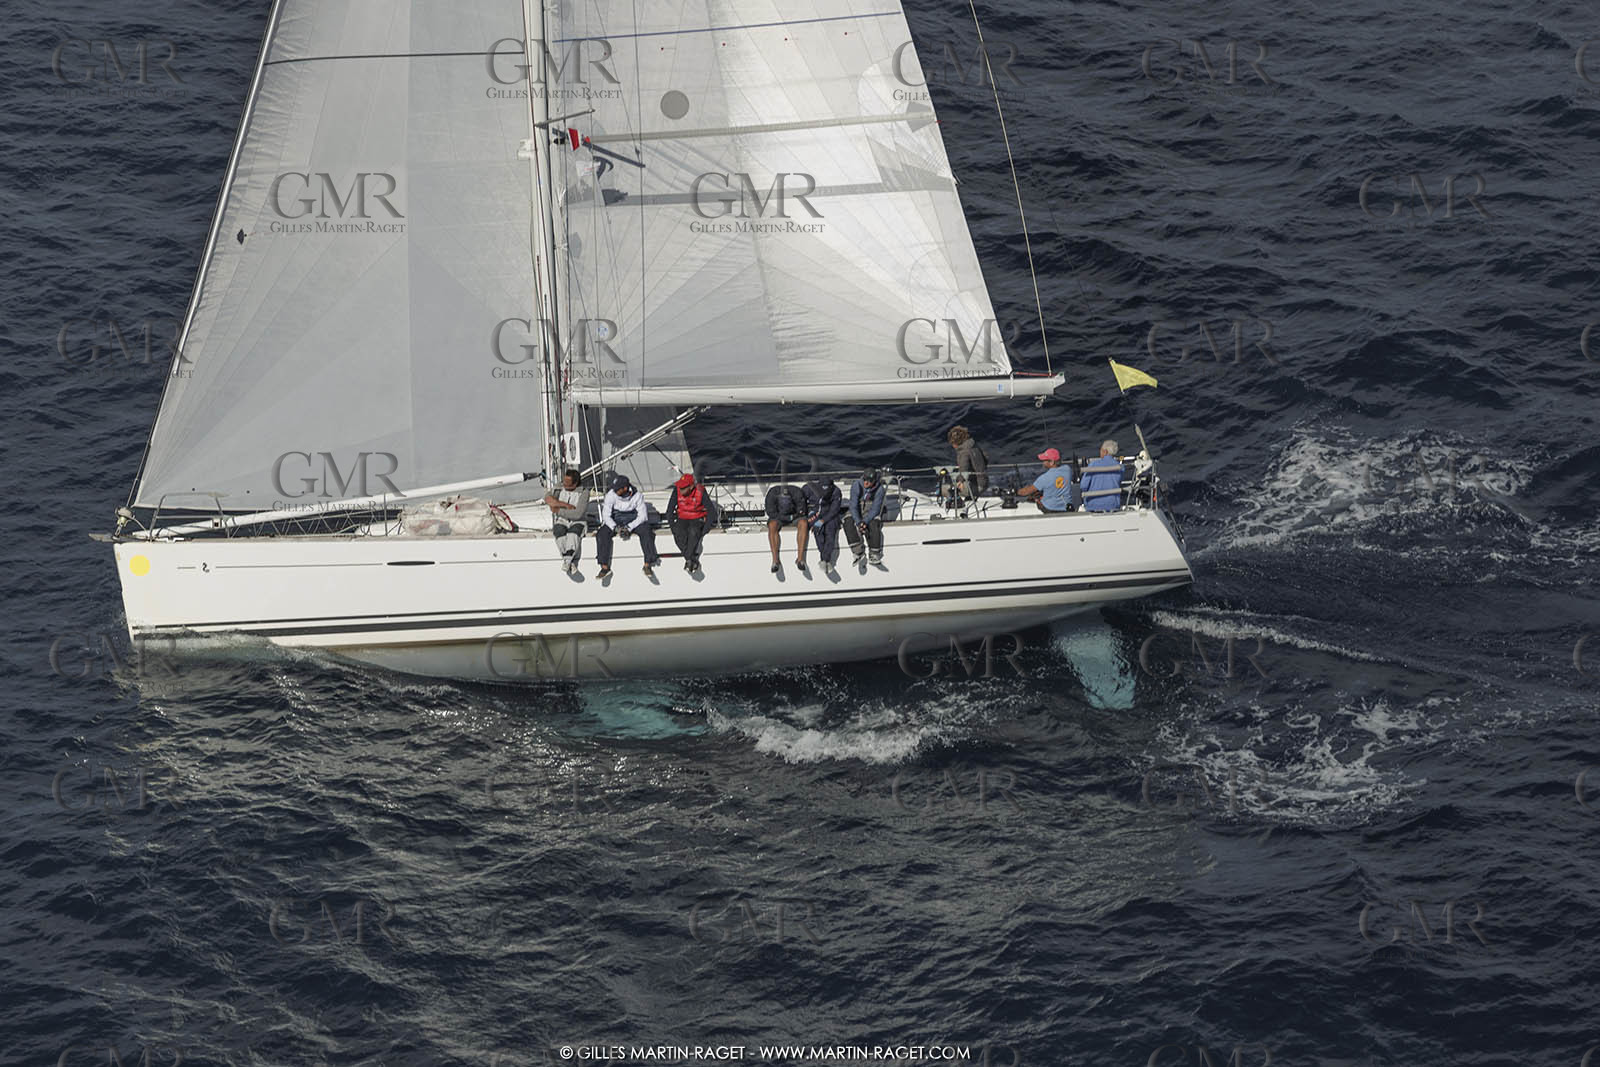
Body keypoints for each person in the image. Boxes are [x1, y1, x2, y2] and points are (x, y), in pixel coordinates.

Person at [595, 474, 659, 578]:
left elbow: (643, 516)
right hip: (615, 520)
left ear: (625, 488)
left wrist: (629, 527)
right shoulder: (611, 495)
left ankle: (648, 564)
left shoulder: (637, 496)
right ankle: (604, 567)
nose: (615, 491)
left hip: (633, 520)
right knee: (602, 534)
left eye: (618, 489)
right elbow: (606, 516)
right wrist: (615, 528)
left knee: (647, 531)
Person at [543, 469, 590, 574]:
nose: (564, 484)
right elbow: (547, 499)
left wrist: (558, 510)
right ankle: (570, 562)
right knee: (559, 532)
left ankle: (567, 561)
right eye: (564, 481)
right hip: (562, 520)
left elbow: (578, 514)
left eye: (567, 483)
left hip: (578, 521)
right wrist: (565, 505)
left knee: (573, 534)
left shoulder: (584, 492)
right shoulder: (559, 487)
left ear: (575, 483)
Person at [665, 471, 711, 574]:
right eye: (680, 487)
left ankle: (689, 560)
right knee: (678, 533)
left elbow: (711, 511)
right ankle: (690, 559)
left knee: (693, 532)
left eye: (683, 488)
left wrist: (705, 530)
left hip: (697, 517)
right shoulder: (676, 491)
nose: (681, 490)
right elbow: (669, 510)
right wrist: (673, 526)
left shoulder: (700, 491)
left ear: (691, 487)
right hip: (683, 517)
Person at [764, 483, 810, 574]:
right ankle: (775, 560)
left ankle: (800, 559)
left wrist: (792, 517)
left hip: (794, 516)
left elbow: (802, 511)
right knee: (772, 525)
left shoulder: (797, 493)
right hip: (778, 517)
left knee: (804, 523)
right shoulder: (772, 494)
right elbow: (770, 512)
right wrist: (784, 518)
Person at [844, 468, 887, 565]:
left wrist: (865, 521)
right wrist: (859, 522)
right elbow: (853, 505)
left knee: (874, 524)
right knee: (848, 522)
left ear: (874, 481)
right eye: (865, 479)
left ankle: (874, 553)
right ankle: (858, 552)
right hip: (857, 510)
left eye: (870, 481)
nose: (866, 483)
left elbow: (875, 509)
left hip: (870, 511)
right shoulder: (856, 485)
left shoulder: (880, 490)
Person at [804, 477, 843, 576]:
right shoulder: (809, 488)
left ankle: (824, 559)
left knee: (831, 532)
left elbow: (834, 510)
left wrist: (823, 521)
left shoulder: (836, 492)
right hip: (815, 513)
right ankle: (826, 560)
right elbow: (800, 499)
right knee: (818, 532)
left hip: (830, 515)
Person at [1017, 448, 1072, 513]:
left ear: (1052, 462)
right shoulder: (1068, 469)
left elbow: (1026, 492)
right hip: (1066, 506)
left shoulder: (1044, 478)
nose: (1043, 462)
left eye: (1044, 460)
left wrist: (1017, 491)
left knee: (1036, 497)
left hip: (1050, 508)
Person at [1079, 439, 1125, 512]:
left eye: (1101, 450)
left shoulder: (1093, 465)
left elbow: (1083, 486)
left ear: (1105, 452)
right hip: (1113, 505)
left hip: (1093, 505)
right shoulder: (1120, 467)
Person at [947, 425, 988, 498]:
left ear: (955, 442)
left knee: (944, 488)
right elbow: (986, 459)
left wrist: (960, 481)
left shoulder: (964, 451)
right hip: (984, 483)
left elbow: (963, 468)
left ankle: (957, 504)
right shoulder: (973, 445)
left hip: (975, 487)